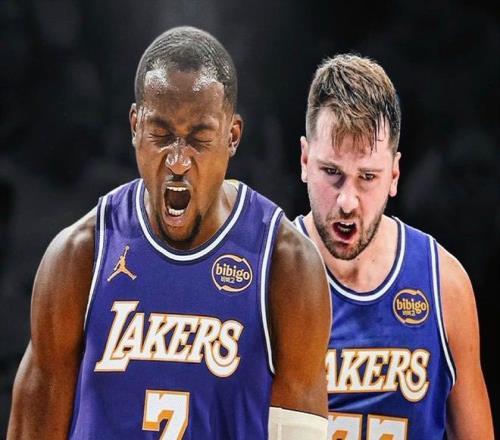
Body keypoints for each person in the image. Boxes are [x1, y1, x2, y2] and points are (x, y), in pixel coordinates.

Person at [7, 27, 331, 439]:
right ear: (135, 126)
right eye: (160, 135)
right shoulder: (80, 256)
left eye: (199, 138)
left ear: (232, 136)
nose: (178, 160)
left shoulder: (286, 266)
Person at [295, 54, 494, 439]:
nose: (347, 201)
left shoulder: (444, 284)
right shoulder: (266, 276)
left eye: (367, 177)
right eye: (331, 172)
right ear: (305, 160)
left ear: (395, 174)